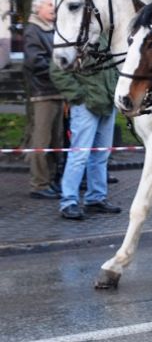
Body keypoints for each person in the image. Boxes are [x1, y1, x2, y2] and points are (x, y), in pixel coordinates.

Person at [49, 34, 120, 220]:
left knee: (101, 155)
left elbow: (113, 68)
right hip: (86, 106)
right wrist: (79, 97)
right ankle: (69, 201)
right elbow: (57, 71)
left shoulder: (104, 37)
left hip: (106, 102)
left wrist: (114, 90)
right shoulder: (73, 37)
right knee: (79, 155)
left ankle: (96, 198)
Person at [24, 0, 64, 200]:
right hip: (43, 93)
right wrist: (59, 67)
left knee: (56, 141)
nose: (54, 9)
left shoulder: (52, 29)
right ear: (38, 7)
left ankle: (50, 180)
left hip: (57, 92)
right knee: (42, 141)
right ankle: (38, 184)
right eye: (50, 5)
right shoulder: (33, 30)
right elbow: (34, 62)